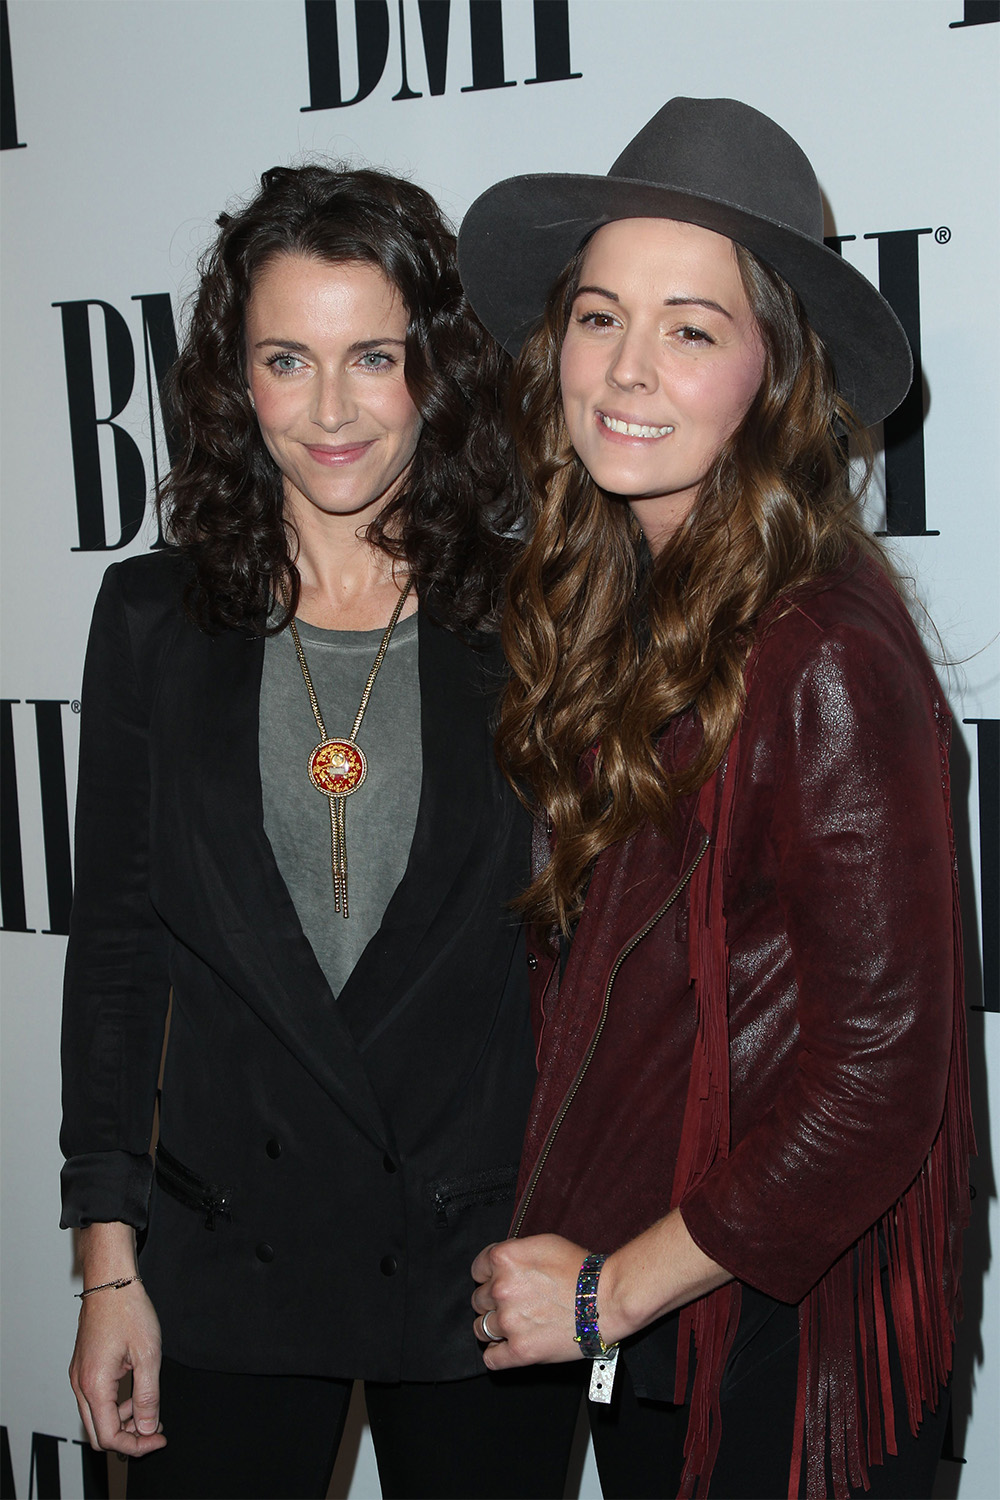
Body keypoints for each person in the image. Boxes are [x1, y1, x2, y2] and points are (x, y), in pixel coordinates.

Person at [456, 98, 974, 1500]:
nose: (627, 371)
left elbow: (877, 1086)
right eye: (600, 316)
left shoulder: (817, 651)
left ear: (773, 372)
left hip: (778, 1349)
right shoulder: (636, 598)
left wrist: (608, 1292)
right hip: (682, 1315)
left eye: (691, 327)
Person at [60, 164, 581, 1500]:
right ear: (239, 383)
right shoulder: (151, 624)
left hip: (481, 1268)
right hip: (228, 1261)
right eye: (289, 360)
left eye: (375, 359)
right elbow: (117, 962)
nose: (334, 410)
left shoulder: (534, 619)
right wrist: (107, 1269)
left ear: (436, 373)